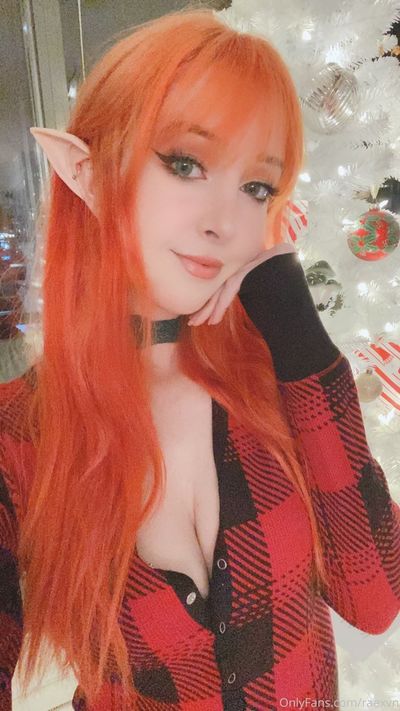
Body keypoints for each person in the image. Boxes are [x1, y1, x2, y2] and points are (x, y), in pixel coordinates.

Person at [1, 6, 399, 710]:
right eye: (185, 164)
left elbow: (374, 598)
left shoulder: (277, 380)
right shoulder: (20, 433)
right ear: (86, 170)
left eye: (256, 188)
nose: (225, 222)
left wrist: (293, 318)